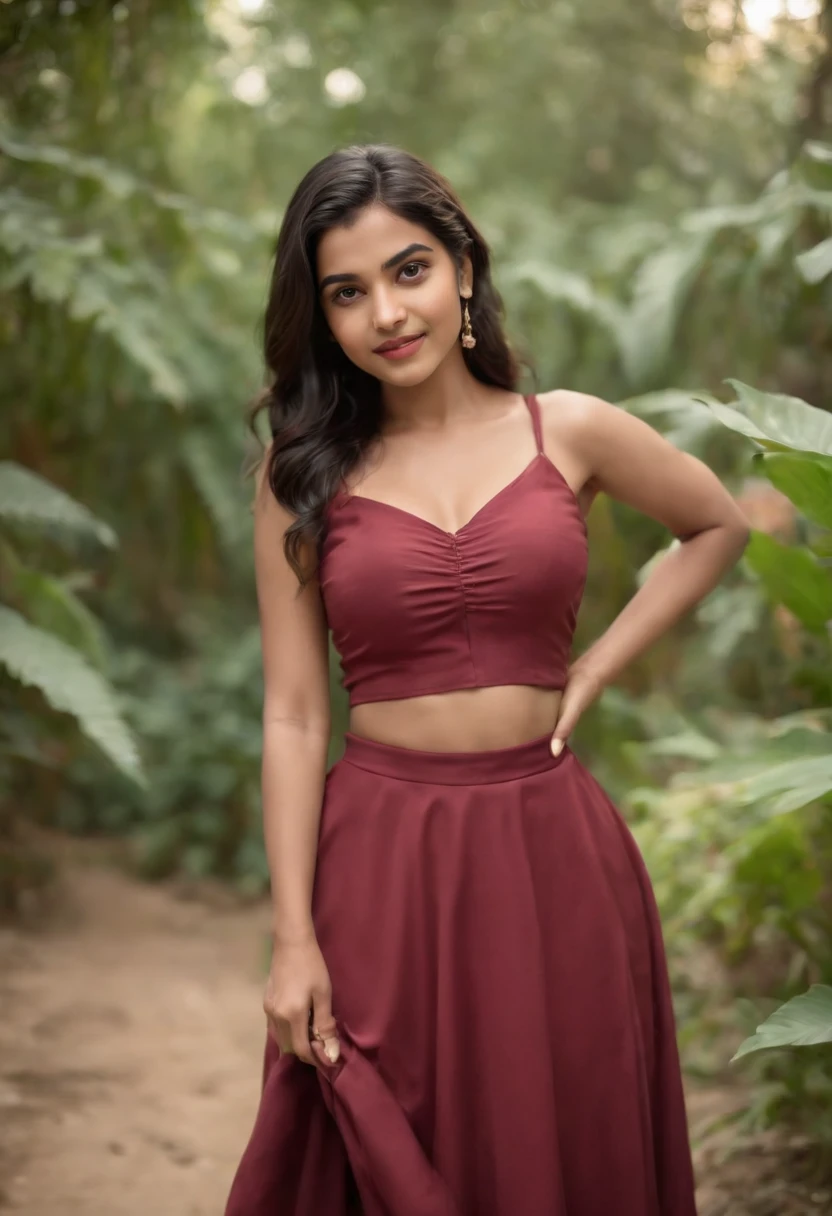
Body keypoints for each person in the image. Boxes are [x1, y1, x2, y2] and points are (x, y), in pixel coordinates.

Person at [224, 144, 749, 1216]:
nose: (386, 312)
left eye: (408, 269)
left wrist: (595, 665)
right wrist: (292, 937)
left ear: (463, 265)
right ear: (320, 315)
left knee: (560, 1138)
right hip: (383, 867)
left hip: (553, 854)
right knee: (386, 1149)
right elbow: (291, 710)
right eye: (347, 291)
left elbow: (715, 522)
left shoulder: (574, 430)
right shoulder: (301, 476)